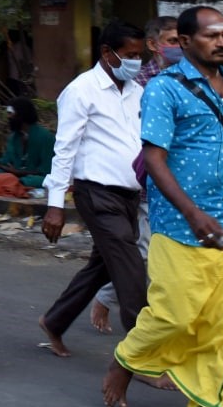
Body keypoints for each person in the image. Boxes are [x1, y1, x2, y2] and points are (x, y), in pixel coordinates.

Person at [103, 5, 223, 407]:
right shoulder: (165, 89)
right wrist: (193, 213)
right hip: (181, 227)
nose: (221, 42)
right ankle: (126, 361)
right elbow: (154, 157)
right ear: (185, 41)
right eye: (211, 35)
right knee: (174, 317)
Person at [38, 21, 147, 358]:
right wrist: (55, 204)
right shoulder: (81, 90)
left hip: (130, 195)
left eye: (139, 56)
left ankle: (55, 321)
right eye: (130, 55)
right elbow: (64, 149)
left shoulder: (138, 91)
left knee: (103, 265)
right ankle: (144, 354)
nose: (136, 62)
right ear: (107, 53)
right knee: (130, 269)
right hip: (97, 194)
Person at [0, 97, 54, 188]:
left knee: (38, 180)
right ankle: (12, 183)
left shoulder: (45, 137)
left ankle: (13, 183)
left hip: (35, 177)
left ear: (21, 114)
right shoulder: (14, 137)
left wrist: (18, 172)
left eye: (10, 113)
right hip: (15, 175)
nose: (8, 117)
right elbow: (3, 163)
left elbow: (46, 170)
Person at [133, 16, 179, 87]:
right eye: (173, 41)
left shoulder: (193, 72)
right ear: (152, 44)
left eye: (183, 40)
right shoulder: (138, 79)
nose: (180, 45)